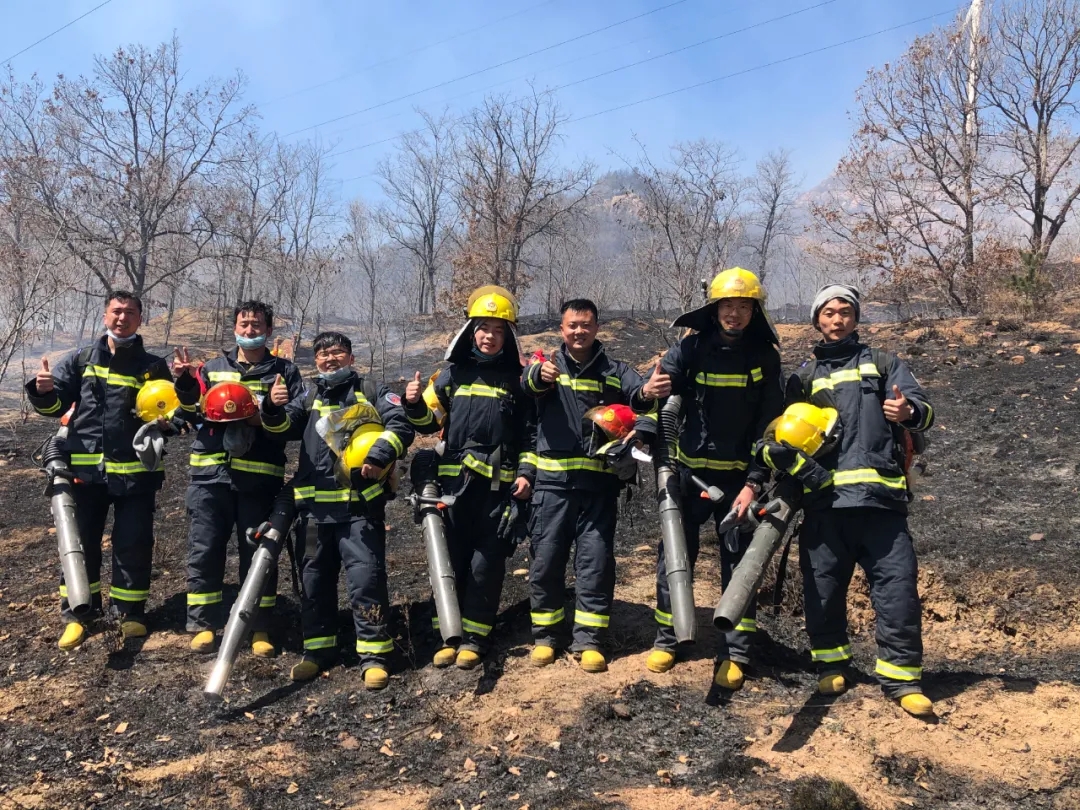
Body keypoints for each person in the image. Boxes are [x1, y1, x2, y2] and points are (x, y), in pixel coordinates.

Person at [781, 283, 936, 717]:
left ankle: (903, 680)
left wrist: (908, 413)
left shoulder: (884, 363)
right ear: (817, 320)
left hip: (881, 503)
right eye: (828, 312)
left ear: (855, 318)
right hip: (825, 504)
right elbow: (782, 440)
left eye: (845, 312)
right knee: (823, 589)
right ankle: (831, 666)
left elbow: (924, 410)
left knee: (898, 589)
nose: (837, 319)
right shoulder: (802, 377)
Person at [643, 268, 784, 689]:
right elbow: (663, 387)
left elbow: (769, 425)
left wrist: (754, 483)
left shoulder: (764, 356)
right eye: (727, 306)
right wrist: (652, 391)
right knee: (674, 557)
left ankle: (734, 653)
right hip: (688, 476)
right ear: (714, 309)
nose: (734, 314)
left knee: (739, 566)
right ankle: (669, 639)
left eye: (743, 307)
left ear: (754, 312)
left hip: (739, 481)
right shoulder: (691, 347)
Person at [261, 331, 414, 690]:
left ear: (351, 357)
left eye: (337, 352)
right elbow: (282, 428)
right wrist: (271, 407)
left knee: (366, 580)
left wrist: (379, 456)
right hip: (314, 516)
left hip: (359, 512)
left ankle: (374, 657)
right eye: (323, 354)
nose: (330, 359)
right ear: (316, 361)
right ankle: (317, 651)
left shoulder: (371, 390)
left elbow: (400, 424)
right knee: (313, 581)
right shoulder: (308, 396)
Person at [26, 291, 172, 649]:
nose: (122, 318)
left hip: (136, 474)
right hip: (85, 474)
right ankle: (79, 614)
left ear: (140, 319)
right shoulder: (80, 359)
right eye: (116, 311)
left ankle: (130, 614)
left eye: (130, 312)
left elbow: (168, 414)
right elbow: (55, 406)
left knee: (133, 544)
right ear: (105, 315)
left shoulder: (153, 366)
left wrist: (168, 419)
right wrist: (43, 392)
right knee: (80, 545)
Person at [521, 299, 660, 673]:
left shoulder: (615, 372)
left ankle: (589, 641)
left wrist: (646, 401)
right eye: (572, 325)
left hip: (598, 488)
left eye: (585, 324)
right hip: (552, 487)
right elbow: (527, 384)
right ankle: (546, 638)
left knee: (595, 564)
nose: (579, 331)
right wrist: (539, 376)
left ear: (597, 328)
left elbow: (642, 401)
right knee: (546, 561)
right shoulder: (547, 367)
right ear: (562, 330)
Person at [402, 286, 535, 670]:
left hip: (497, 490)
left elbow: (529, 436)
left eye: (498, 330)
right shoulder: (452, 375)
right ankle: (447, 635)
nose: (489, 336)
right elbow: (429, 423)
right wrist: (413, 402)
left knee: (485, 565)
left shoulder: (517, 380)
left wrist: (526, 473)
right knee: (450, 560)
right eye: (483, 328)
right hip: (452, 487)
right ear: (470, 332)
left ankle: (476, 639)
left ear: (508, 336)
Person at [172, 301, 305, 657]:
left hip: (259, 481)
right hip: (209, 477)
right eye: (244, 324)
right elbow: (190, 412)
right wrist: (184, 383)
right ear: (234, 328)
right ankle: (203, 624)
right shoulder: (212, 369)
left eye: (256, 324)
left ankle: (258, 626)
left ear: (269, 330)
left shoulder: (285, 373)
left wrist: (266, 412)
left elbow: (295, 423)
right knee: (204, 550)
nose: (249, 330)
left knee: (259, 554)